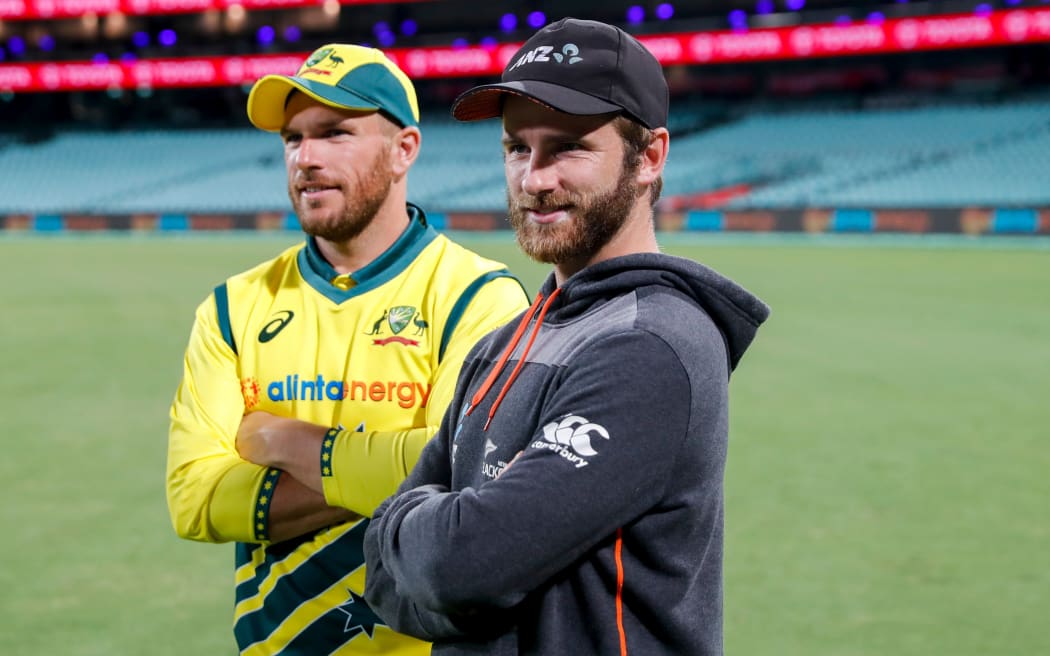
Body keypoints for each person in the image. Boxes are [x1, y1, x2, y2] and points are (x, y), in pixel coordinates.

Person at [363, 18, 771, 655]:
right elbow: (386, 585)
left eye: (569, 147)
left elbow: (456, 569)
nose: (534, 179)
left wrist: (418, 533)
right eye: (517, 148)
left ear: (651, 157)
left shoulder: (654, 345)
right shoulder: (502, 342)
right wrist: (429, 547)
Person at [165, 43, 530, 655]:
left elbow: (466, 484)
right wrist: (399, 477)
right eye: (293, 138)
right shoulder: (232, 308)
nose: (306, 158)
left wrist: (284, 443)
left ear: (404, 149)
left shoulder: (479, 300)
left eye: (335, 133)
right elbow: (195, 499)